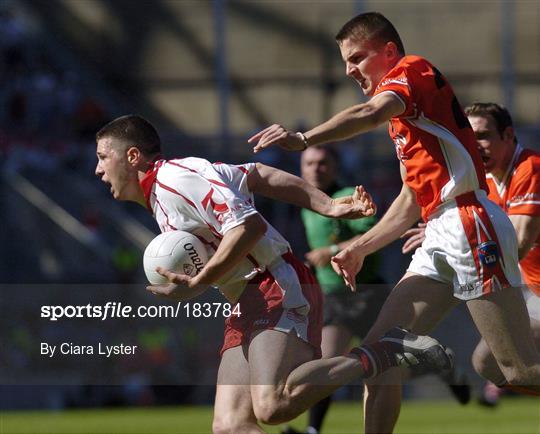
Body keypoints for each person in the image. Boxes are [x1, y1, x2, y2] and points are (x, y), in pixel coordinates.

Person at [249, 12, 540, 434]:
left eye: (357, 58)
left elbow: (370, 111)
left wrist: (305, 138)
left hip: (469, 222)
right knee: (381, 360)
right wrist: (360, 247)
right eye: (345, 62)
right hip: (441, 231)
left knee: (515, 369)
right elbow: (410, 200)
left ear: (388, 52)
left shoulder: (412, 71)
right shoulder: (405, 122)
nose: (349, 70)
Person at [95, 114, 452, 433]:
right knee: (230, 425)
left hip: (273, 283)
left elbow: (247, 227)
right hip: (242, 299)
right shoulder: (170, 187)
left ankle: (385, 351)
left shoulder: (177, 181)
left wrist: (200, 282)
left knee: (273, 405)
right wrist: (326, 204)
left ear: (132, 156)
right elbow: (256, 175)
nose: (98, 170)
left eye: (102, 157)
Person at [402, 102, 540, 406]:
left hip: (535, 293)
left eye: (484, 135)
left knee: (506, 365)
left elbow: (520, 243)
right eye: (469, 136)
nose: (475, 146)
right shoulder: (484, 181)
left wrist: (465, 257)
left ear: (508, 135)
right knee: (487, 364)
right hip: (533, 290)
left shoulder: (529, 168)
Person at [282, 145, 385, 434]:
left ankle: (455, 376)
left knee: (394, 363)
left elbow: (375, 233)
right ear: (301, 169)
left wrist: (331, 251)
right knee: (326, 363)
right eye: (309, 163)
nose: (316, 168)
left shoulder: (350, 196)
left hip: (367, 292)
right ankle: (314, 430)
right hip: (333, 295)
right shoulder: (306, 202)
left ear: (335, 166)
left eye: (322, 162)